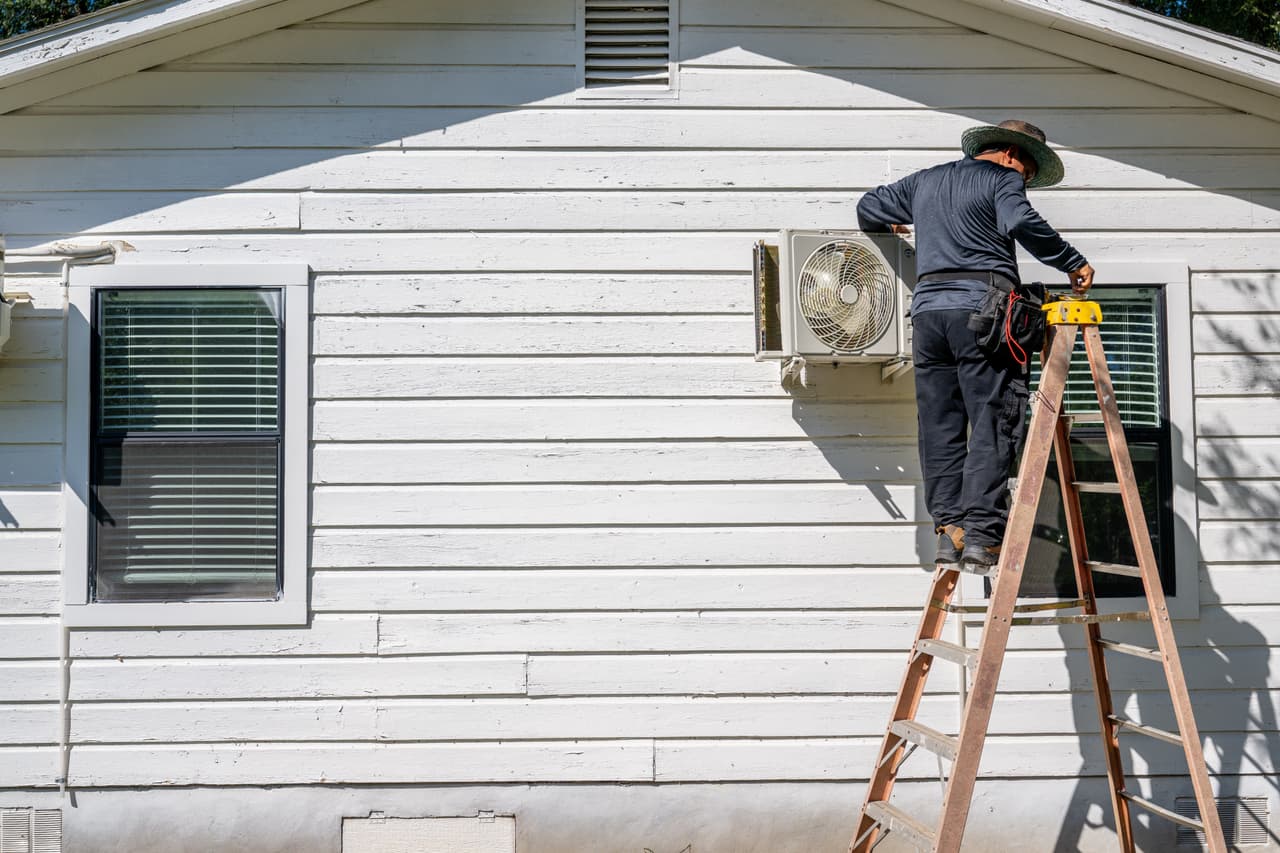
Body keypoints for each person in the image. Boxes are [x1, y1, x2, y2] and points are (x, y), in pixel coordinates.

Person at [856, 119, 1095, 569]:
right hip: (982, 314)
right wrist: (1071, 260)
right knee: (992, 421)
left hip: (928, 316)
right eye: (1027, 172)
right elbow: (1020, 219)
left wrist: (891, 226)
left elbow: (868, 206)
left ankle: (951, 532)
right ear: (1011, 154)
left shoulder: (925, 181)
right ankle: (983, 537)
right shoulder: (1002, 178)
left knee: (940, 426)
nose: (1024, 181)